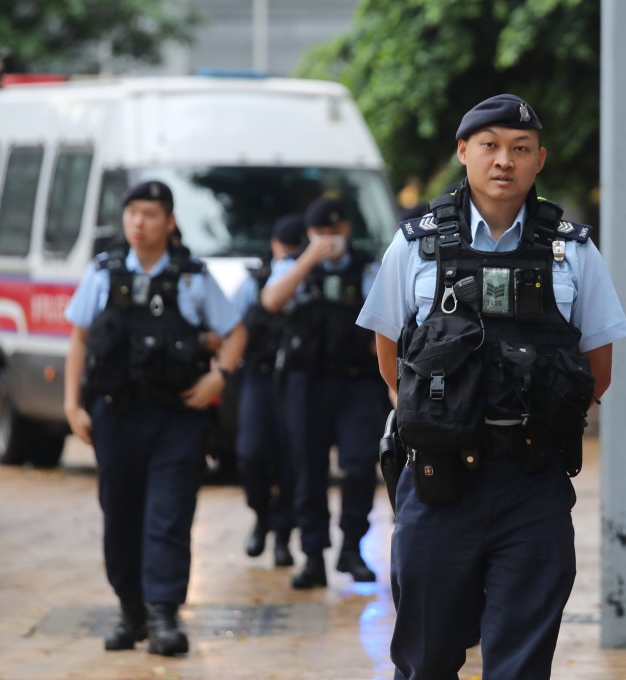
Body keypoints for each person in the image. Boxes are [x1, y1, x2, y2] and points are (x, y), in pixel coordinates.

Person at [356, 93, 626, 679]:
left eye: (520, 149)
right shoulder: (416, 244)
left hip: (533, 483)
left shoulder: (574, 251)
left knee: (521, 659)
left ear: (539, 161)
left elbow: (597, 369)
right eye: (490, 146)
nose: (504, 160)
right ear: (464, 153)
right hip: (438, 482)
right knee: (425, 656)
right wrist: (440, 419)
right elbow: (390, 358)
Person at [64, 180, 247, 656]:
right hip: (115, 416)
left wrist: (219, 376)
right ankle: (131, 613)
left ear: (169, 221)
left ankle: (164, 615)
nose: (138, 223)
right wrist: (71, 405)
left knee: (168, 515)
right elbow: (79, 339)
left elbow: (235, 331)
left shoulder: (192, 276)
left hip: (176, 418)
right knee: (120, 516)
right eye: (132, 214)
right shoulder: (103, 272)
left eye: (149, 214)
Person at [261, 196, 388, 588]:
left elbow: (387, 320)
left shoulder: (368, 267)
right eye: (320, 234)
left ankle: (351, 546)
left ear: (346, 230)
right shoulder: (293, 265)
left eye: (334, 233)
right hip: (307, 381)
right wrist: (308, 260)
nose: (329, 241)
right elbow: (271, 301)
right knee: (308, 467)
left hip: (357, 381)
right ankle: (313, 554)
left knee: (361, 461)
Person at [232, 214, 305, 568]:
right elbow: (232, 325)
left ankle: (283, 534)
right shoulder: (255, 280)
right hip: (259, 378)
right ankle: (261, 514)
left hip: (295, 380)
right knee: (251, 454)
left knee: (291, 459)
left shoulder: (312, 277)